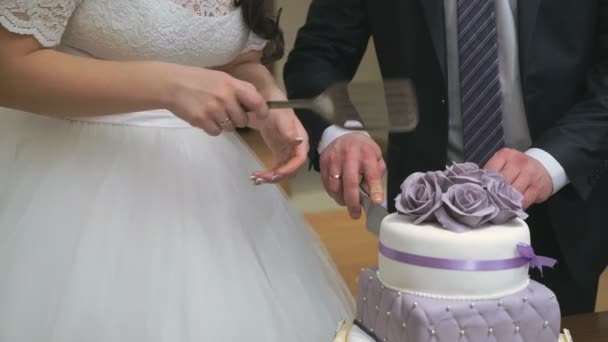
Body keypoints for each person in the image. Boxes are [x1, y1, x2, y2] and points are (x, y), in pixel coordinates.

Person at [0, 0, 354, 340]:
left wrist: (266, 95)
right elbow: (8, 67)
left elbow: (231, 58)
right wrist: (168, 86)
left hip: (208, 192)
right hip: (69, 185)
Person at [284, 0, 608, 315]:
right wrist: (341, 132)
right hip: (426, 221)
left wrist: (550, 162)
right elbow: (317, 56)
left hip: (559, 212)